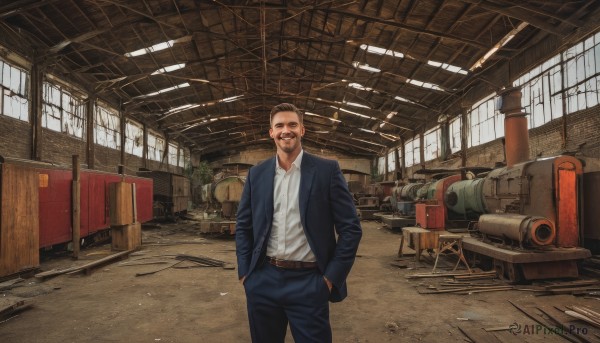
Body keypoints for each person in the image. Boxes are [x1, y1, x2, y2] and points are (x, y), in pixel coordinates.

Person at [235, 103, 362, 343]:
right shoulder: (257, 173)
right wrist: (246, 273)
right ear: (271, 132)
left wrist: (330, 278)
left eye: (292, 124)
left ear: (302, 130)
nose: (286, 130)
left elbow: (351, 229)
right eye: (279, 125)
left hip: (310, 282)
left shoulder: (327, 170)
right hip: (263, 279)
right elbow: (243, 225)